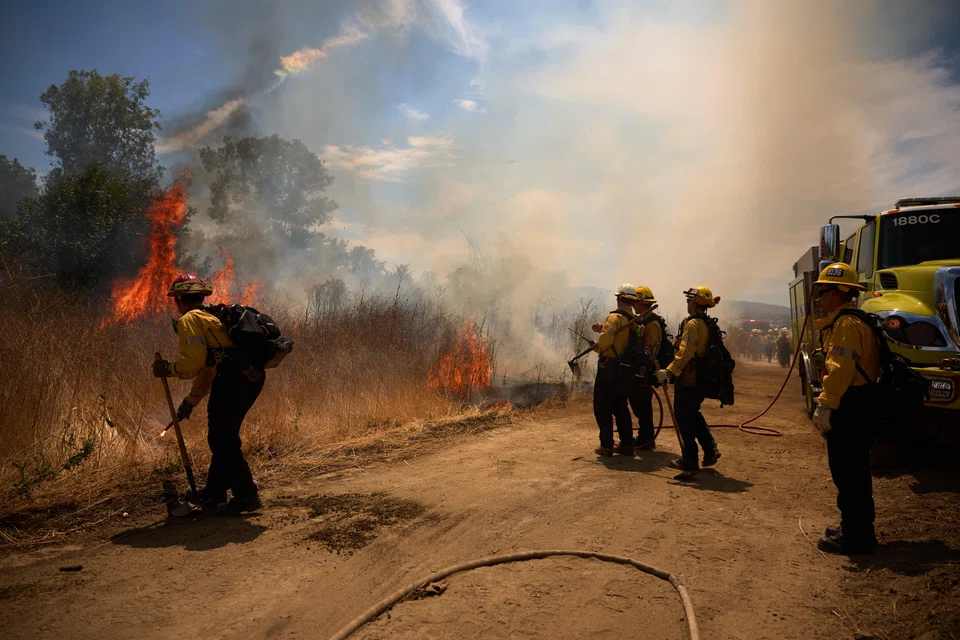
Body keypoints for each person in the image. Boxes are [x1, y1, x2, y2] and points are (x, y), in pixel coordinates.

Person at [152, 274, 266, 515]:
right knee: (221, 436)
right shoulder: (209, 318)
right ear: (201, 297)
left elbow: (192, 365)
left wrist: (168, 369)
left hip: (234, 380)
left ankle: (246, 494)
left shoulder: (190, 320)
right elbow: (209, 366)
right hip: (246, 378)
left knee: (222, 438)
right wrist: (190, 402)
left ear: (179, 299)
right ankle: (215, 493)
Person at [810, 262, 880, 555]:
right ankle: (854, 526)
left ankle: (857, 538)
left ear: (837, 293)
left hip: (850, 404)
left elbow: (840, 369)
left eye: (823, 291)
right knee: (852, 470)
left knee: (848, 471)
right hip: (856, 403)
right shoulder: (850, 321)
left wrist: (826, 405)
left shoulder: (845, 324)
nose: (818, 298)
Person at [656, 286, 722, 481]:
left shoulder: (693, 324)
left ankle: (690, 463)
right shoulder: (709, 323)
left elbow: (685, 353)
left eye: (689, 301)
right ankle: (710, 448)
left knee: (684, 420)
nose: (687, 303)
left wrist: (669, 371)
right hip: (701, 379)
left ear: (695, 303)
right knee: (692, 414)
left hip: (689, 378)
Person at [591, 284, 640, 457]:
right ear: (633, 302)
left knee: (602, 406)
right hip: (626, 369)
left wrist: (596, 346)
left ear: (619, 299)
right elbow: (617, 337)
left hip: (609, 367)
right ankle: (627, 444)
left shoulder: (614, 318)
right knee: (620, 406)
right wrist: (602, 331)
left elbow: (605, 343)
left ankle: (607, 445)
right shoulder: (635, 321)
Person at [628, 285, 663, 450]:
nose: (633, 305)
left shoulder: (652, 324)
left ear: (643, 304)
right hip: (637, 368)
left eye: (636, 302)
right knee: (637, 403)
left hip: (644, 370)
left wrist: (642, 367)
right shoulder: (642, 320)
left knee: (642, 404)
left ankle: (647, 438)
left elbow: (650, 351)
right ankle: (645, 436)